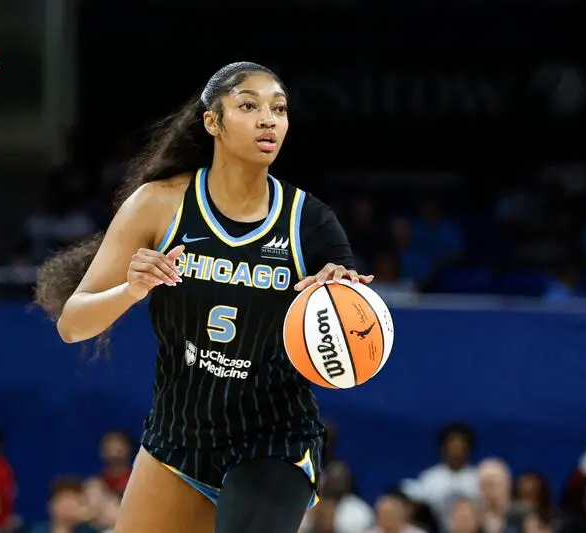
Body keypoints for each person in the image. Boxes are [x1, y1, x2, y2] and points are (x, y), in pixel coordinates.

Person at [35, 62, 372, 533]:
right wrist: (130, 290)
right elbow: (73, 325)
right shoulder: (158, 204)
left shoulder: (309, 222)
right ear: (212, 121)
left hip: (271, 439)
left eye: (279, 109)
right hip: (178, 437)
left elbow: (352, 336)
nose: (268, 120)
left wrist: (342, 290)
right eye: (248, 106)